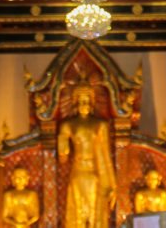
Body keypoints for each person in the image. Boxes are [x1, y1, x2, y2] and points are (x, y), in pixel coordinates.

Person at [57, 84, 116, 227]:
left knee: (96, 213)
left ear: (92, 102)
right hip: (77, 172)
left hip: (94, 173)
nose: (84, 104)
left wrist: (112, 184)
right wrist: (62, 142)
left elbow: (106, 156)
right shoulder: (68, 125)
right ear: (75, 103)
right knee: (77, 212)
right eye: (81, 101)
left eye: (87, 100)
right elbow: (63, 157)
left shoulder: (100, 125)